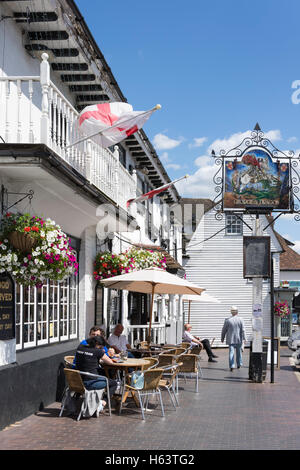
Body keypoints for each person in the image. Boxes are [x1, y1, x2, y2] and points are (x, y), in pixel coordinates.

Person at [221, 305, 246, 371]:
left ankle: (232, 365)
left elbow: (224, 330)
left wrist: (222, 338)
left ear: (231, 312)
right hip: (239, 339)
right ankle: (239, 364)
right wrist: (245, 338)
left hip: (231, 339)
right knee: (239, 352)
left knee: (231, 352)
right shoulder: (241, 319)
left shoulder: (227, 320)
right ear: (237, 312)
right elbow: (243, 330)